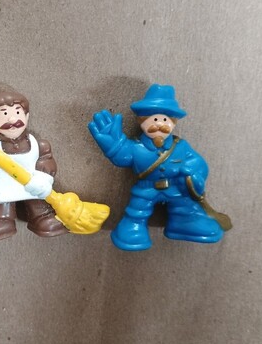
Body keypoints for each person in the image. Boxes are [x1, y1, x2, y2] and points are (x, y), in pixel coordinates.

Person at [89, 84, 227, 251]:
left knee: (185, 205)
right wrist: (114, 146)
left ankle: (185, 222)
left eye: (165, 120)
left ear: (173, 123)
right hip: (146, 189)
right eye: (155, 119)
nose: (160, 124)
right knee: (137, 211)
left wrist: (191, 170)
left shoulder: (180, 146)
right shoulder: (136, 147)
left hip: (176, 187)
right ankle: (132, 229)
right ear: (142, 120)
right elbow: (123, 157)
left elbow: (198, 162)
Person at [0, 91, 68, 244]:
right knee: (0, 199)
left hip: (33, 186)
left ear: (27, 116)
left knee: (38, 200)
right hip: (5, 187)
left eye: (17, 113)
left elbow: (47, 161)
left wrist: (43, 176)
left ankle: (41, 216)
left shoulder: (39, 145)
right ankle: (1, 220)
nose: (12, 119)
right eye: (5, 114)